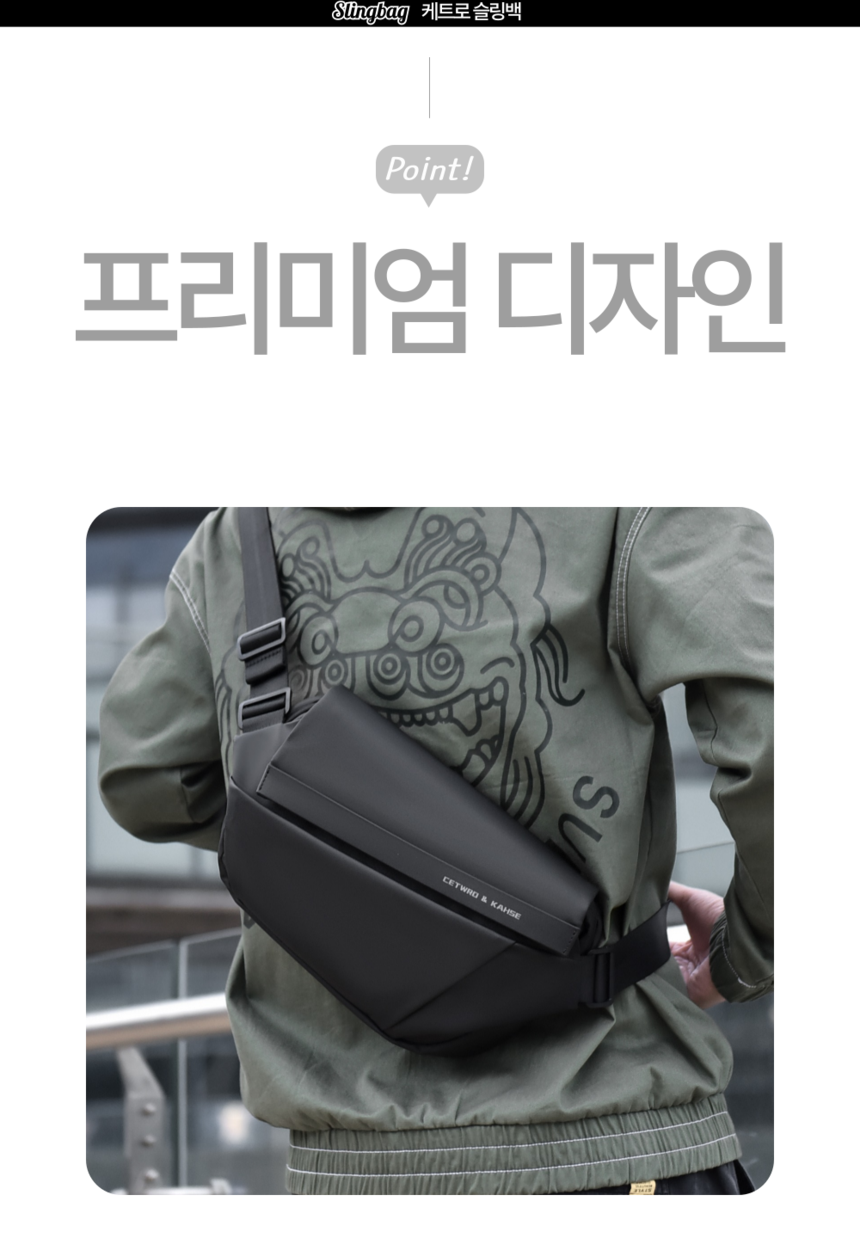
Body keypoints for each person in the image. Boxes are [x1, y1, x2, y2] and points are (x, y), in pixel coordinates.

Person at [98, 505, 773, 1195]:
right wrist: (744, 955)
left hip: (346, 1173)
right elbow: (774, 740)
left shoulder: (235, 536)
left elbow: (142, 773)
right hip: (612, 1134)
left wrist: (320, 859)